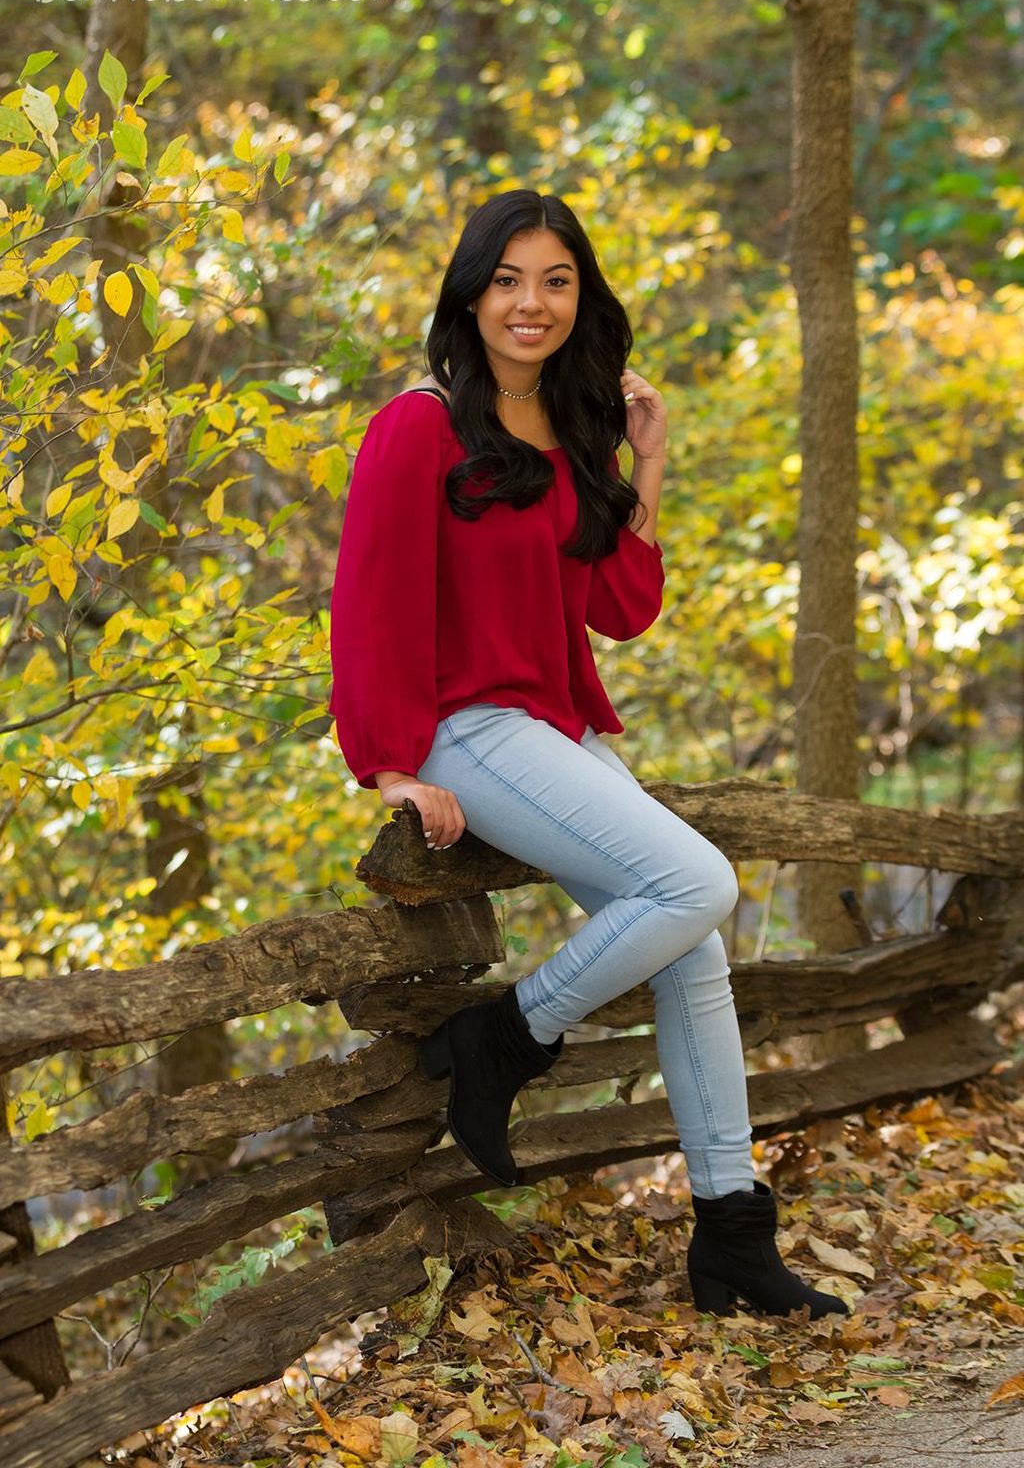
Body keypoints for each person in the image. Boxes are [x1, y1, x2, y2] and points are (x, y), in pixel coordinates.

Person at [328, 189, 850, 1322]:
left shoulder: (569, 430)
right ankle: (505, 1037)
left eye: (555, 281)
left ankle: (732, 1235)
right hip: (467, 731)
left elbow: (621, 606)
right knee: (698, 883)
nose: (532, 303)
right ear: (471, 294)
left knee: (694, 952)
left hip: (552, 729)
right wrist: (389, 767)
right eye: (508, 280)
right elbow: (369, 601)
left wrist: (644, 460)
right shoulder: (417, 424)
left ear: (581, 297)